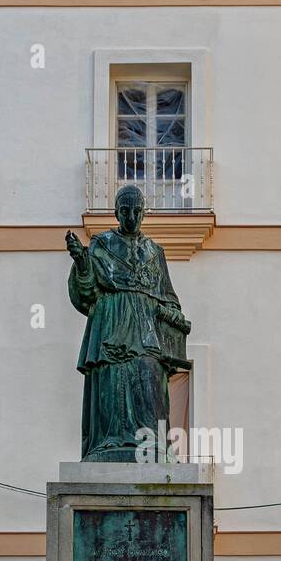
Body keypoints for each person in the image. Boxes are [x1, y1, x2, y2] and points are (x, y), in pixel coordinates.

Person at [65, 185, 191, 462]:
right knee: (113, 385)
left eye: (137, 211)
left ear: (144, 213)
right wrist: (82, 263)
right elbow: (87, 295)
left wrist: (173, 315)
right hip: (111, 326)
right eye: (125, 211)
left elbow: (168, 296)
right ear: (116, 213)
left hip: (148, 333)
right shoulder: (101, 245)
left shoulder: (154, 253)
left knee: (149, 383)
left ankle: (152, 445)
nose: (131, 217)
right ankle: (108, 444)